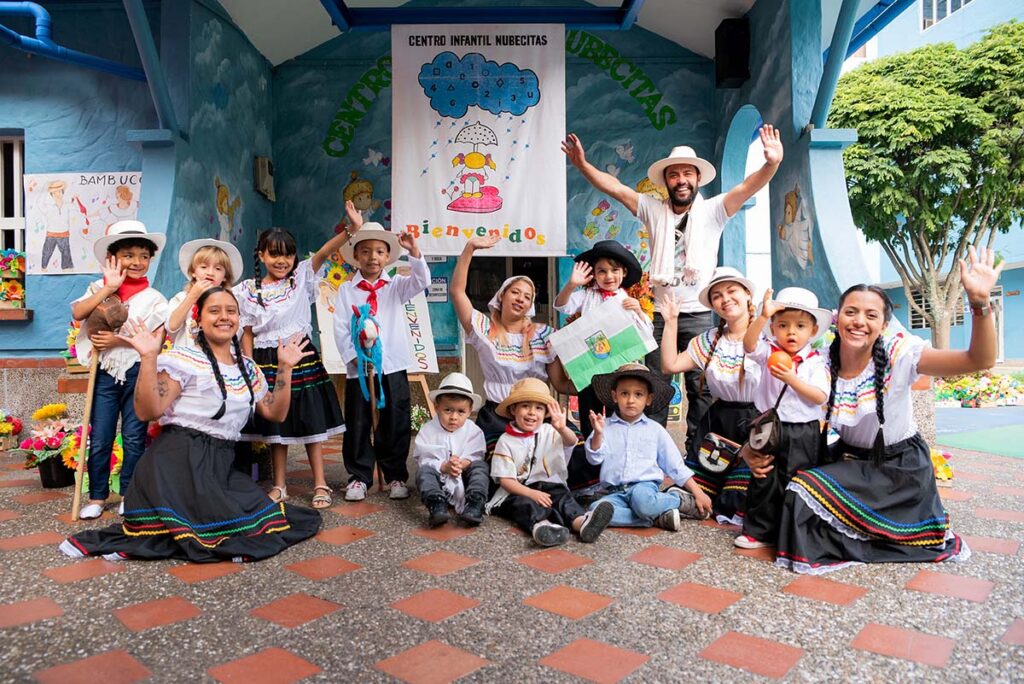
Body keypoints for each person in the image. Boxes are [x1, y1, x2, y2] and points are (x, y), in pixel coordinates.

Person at [774, 247, 1001, 574]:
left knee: (803, 492)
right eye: (851, 312)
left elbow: (978, 360)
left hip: (899, 469)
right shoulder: (821, 361)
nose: (859, 322)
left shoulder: (901, 353)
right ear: (837, 319)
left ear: (883, 324)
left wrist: (979, 305)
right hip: (849, 460)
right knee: (784, 486)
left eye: (871, 315)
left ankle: (884, 533)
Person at [562, 126, 783, 458]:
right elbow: (617, 188)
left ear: (697, 179)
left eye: (688, 174)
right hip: (662, 314)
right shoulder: (653, 210)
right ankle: (647, 456)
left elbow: (747, 186)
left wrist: (771, 164)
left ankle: (698, 458)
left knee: (701, 388)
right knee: (654, 386)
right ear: (666, 181)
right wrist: (582, 165)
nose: (681, 179)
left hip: (699, 314)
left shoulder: (714, 210)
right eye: (675, 174)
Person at [59, 287, 321, 562]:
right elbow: (149, 411)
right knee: (216, 530)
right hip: (175, 465)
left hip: (220, 467)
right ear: (199, 320)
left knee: (266, 517)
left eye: (231, 311)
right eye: (214, 310)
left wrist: (285, 368)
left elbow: (275, 413)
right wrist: (148, 358)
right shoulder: (184, 360)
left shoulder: (248, 369)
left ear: (239, 319)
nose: (224, 317)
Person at [236, 202, 360, 509]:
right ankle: (280, 485)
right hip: (265, 361)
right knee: (277, 426)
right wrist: (249, 366)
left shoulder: (301, 277)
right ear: (261, 255)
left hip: (300, 354)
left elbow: (322, 252)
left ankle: (320, 483)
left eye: (288, 253)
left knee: (310, 422)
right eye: (274, 253)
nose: (282, 260)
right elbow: (247, 331)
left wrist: (350, 229)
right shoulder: (248, 290)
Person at [71, 220, 169, 520]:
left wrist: (118, 339)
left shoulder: (154, 299)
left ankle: (130, 493)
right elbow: (78, 312)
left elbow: (155, 339)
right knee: (100, 436)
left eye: (143, 255)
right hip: (104, 374)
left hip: (137, 372)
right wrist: (109, 288)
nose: (137, 262)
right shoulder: (97, 289)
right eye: (128, 255)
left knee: (134, 435)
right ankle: (97, 497)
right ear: (112, 259)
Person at [332, 222, 429, 502]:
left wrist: (414, 251)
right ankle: (359, 477)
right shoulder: (346, 291)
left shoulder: (397, 286)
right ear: (356, 255)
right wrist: (355, 358)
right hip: (360, 371)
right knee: (359, 421)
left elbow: (422, 282)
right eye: (365, 251)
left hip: (392, 364)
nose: (372, 257)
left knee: (395, 420)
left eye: (378, 251)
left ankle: (395, 474)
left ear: (387, 256)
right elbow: (340, 328)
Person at [451, 234, 572, 452]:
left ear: (530, 305)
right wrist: (469, 248)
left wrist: (598, 382)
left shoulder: (543, 335)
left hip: (537, 415)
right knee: (488, 466)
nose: (520, 299)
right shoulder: (484, 329)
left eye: (527, 297)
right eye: (515, 292)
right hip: (497, 416)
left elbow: (560, 384)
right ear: (501, 297)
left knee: (574, 449)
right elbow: (457, 291)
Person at [659, 267, 760, 522]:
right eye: (717, 295)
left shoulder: (766, 335)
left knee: (738, 496)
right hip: (718, 424)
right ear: (713, 305)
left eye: (731, 291)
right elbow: (669, 365)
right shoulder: (709, 340)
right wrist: (671, 323)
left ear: (747, 294)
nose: (725, 299)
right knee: (697, 491)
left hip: (759, 424)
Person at [736, 287, 831, 549]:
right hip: (769, 426)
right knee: (764, 476)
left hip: (803, 431)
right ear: (774, 328)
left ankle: (791, 531)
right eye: (783, 325)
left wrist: (792, 379)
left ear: (812, 331)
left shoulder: (815, 361)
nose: (791, 332)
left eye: (800, 325)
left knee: (797, 479)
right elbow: (748, 344)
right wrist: (762, 317)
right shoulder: (768, 351)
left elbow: (819, 396)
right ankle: (758, 530)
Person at [554, 239, 652, 461]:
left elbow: (646, 331)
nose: (608, 276)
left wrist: (638, 312)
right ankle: (593, 462)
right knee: (591, 414)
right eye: (602, 271)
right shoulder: (586, 296)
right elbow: (561, 306)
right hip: (591, 370)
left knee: (619, 414)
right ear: (594, 275)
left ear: (624, 272)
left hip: (619, 370)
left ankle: (620, 458)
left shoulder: (627, 299)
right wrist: (571, 285)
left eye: (614, 270)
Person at [486, 378, 614, 546]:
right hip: (517, 491)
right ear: (513, 410)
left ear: (545, 413)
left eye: (538, 408)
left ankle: (581, 523)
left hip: (548, 485)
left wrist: (561, 428)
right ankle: (541, 527)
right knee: (524, 505)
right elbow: (506, 480)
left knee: (562, 498)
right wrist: (531, 493)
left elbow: (571, 441)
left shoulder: (548, 430)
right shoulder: (505, 440)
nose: (532, 412)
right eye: (525, 406)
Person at [585, 363, 712, 530]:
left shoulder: (655, 430)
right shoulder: (604, 426)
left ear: (648, 399)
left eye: (638, 394)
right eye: (624, 394)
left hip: (643, 488)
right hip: (614, 492)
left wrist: (698, 493)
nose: (631, 400)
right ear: (615, 396)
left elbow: (675, 465)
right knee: (595, 509)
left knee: (642, 502)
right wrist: (598, 434)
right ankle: (655, 517)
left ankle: (677, 500)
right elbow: (594, 458)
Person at [414, 372, 488, 527]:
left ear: (469, 411)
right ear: (436, 407)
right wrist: (444, 466)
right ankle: (436, 503)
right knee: (424, 473)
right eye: (448, 410)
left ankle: (474, 502)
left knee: (481, 467)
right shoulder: (428, 430)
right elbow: (423, 458)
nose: (454, 417)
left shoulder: (473, 431)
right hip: (440, 480)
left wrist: (463, 463)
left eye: (461, 411)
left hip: (464, 477)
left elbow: (477, 454)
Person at [166, 238, 244, 350]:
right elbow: (171, 326)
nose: (210, 273)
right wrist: (192, 296)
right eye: (203, 267)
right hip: (186, 360)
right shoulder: (181, 297)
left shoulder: (232, 301)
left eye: (218, 268)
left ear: (225, 276)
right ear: (193, 272)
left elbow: (236, 332)